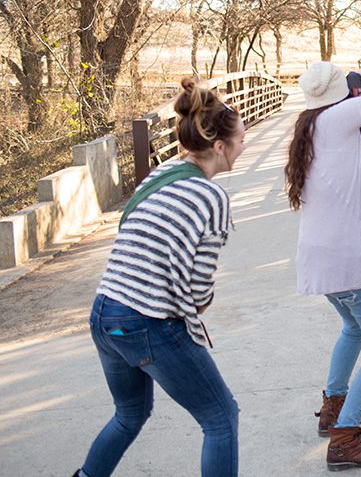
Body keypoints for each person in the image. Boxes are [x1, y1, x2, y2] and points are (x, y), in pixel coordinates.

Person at [76, 79, 246, 477]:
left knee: (129, 414)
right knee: (221, 418)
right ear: (220, 147)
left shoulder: (163, 173)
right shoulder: (213, 198)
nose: (244, 147)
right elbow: (199, 289)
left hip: (104, 312)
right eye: (240, 141)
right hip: (147, 323)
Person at [285, 61, 361, 471]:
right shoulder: (340, 117)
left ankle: (332, 409)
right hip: (353, 259)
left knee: (353, 328)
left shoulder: (312, 125)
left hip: (323, 261)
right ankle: (345, 438)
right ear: (342, 91)